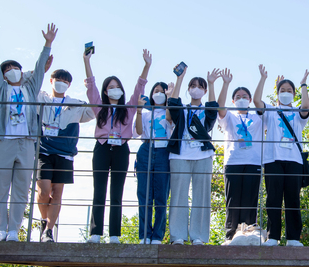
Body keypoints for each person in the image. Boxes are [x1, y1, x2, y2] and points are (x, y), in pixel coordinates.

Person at [0, 17, 57, 242]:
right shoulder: (1, 90)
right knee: (0, 186)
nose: (13, 70)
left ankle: (14, 229)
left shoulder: (29, 89)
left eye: (16, 68)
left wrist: (47, 45)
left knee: (22, 189)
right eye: (9, 69)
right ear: (4, 75)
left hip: (26, 142)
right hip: (4, 140)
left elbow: (39, 70)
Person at [84, 49, 151, 243]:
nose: (115, 89)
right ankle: (95, 233)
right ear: (106, 91)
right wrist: (86, 61)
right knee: (99, 190)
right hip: (102, 147)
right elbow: (91, 86)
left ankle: (114, 234)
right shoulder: (99, 106)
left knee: (117, 192)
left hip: (121, 148)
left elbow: (139, 88)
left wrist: (146, 66)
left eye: (117, 86)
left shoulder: (128, 108)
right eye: (111, 87)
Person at [36, 64, 95, 243]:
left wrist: (90, 90)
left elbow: (94, 111)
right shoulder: (41, 98)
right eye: (58, 80)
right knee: (43, 191)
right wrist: (42, 69)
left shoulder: (75, 104)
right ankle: (44, 221)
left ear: (69, 85)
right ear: (51, 81)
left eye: (65, 82)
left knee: (58, 192)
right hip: (43, 152)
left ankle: (48, 230)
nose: (61, 84)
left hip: (65, 154)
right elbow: (30, 86)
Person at [253, 65, 309, 246]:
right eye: (282, 90)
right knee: (273, 199)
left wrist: (303, 85)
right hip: (272, 160)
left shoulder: (298, 113)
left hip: (294, 161)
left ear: (294, 94)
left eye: (289, 91)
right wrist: (263, 78)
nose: (285, 93)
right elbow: (256, 100)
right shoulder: (270, 110)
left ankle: (293, 238)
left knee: (293, 199)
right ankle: (273, 236)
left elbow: (306, 106)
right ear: (277, 93)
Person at [167, 66, 224, 245]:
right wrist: (180, 79)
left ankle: (198, 236)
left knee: (202, 196)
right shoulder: (182, 109)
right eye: (193, 86)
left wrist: (213, 84)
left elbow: (213, 112)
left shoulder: (205, 110)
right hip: (180, 156)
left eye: (200, 86)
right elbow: (173, 105)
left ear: (204, 91)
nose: (196, 89)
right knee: (178, 196)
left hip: (203, 156)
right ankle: (178, 236)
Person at [216, 69, 264, 244]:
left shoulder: (258, 117)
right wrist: (226, 83)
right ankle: (230, 235)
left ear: (250, 100)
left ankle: (249, 232)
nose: (241, 98)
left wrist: (262, 78)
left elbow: (261, 103)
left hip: (253, 162)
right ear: (233, 100)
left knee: (250, 198)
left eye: (245, 96)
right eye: (237, 96)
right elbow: (220, 108)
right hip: (233, 161)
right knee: (233, 199)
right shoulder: (230, 116)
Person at [134, 81, 174, 244]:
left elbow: (171, 121)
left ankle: (157, 235)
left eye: (161, 92)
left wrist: (170, 99)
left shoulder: (168, 111)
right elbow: (138, 131)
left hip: (164, 151)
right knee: (144, 194)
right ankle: (144, 234)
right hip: (146, 150)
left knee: (161, 196)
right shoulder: (144, 112)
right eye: (155, 91)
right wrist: (138, 111)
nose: (158, 94)